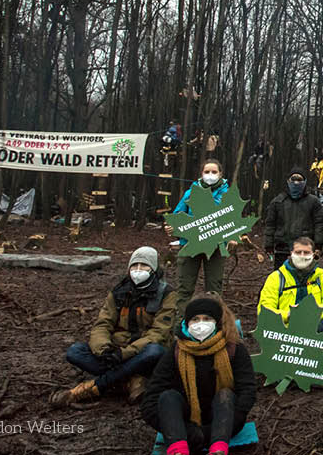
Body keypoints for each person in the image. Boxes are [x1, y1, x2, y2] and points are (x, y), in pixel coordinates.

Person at [51, 246, 178, 406]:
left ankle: (91, 388)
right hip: (115, 352)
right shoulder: (119, 292)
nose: (138, 270)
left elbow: (158, 333)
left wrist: (123, 354)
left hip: (144, 353)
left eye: (144, 266)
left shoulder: (166, 294)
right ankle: (130, 381)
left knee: (155, 351)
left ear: (154, 269)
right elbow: (102, 324)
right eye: (134, 266)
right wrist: (104, 350)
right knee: (75, 351)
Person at [142, 294, 256, 455]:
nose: (201, 324)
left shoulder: (234, 349)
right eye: (195, 319)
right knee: (168, 396)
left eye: (207, 319)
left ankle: (218, 449)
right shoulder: (176, 351)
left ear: (216, 322)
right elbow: (151, 400)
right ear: (186, 323)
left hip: (224, 419)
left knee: (226, 394)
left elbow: (247, 392)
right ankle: (178, 449)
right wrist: (189, 432)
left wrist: (210, 431)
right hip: (183, 423)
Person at [170, 159, 232, 317]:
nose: (210, 175)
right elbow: (178, 215)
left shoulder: (228, 195)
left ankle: (214, 324)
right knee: (184, 289)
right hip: (190, 246)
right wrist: (173, 226)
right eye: (207, 172)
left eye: (214, 172)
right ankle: (181, 326)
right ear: (201, 174)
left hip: (216, 248)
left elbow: (231, 220)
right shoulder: (190, 193)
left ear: (220, 174)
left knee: (214, 290)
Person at [257, 237, 323, 331]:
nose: (302, 256)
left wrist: (314, 312)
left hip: (314, 322)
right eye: (298, 252)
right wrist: (289, 314)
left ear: (313, 255)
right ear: (291, 253)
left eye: (306, 252)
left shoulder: (321, 275)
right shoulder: (276, 277)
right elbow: (264, 310)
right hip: (285, 328)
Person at [263, 167, 323, 266]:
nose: (296, 183)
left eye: (299, 180)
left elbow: (319, 224)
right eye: (293, 180)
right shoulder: (278, 202)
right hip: (282, 249)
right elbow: (270, 224)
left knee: (305, 278)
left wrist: (318, 245)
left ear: (305, 182)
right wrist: (269, 245)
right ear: (288, 181)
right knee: (282, 278)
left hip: (305, 249)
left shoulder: (313, 202)